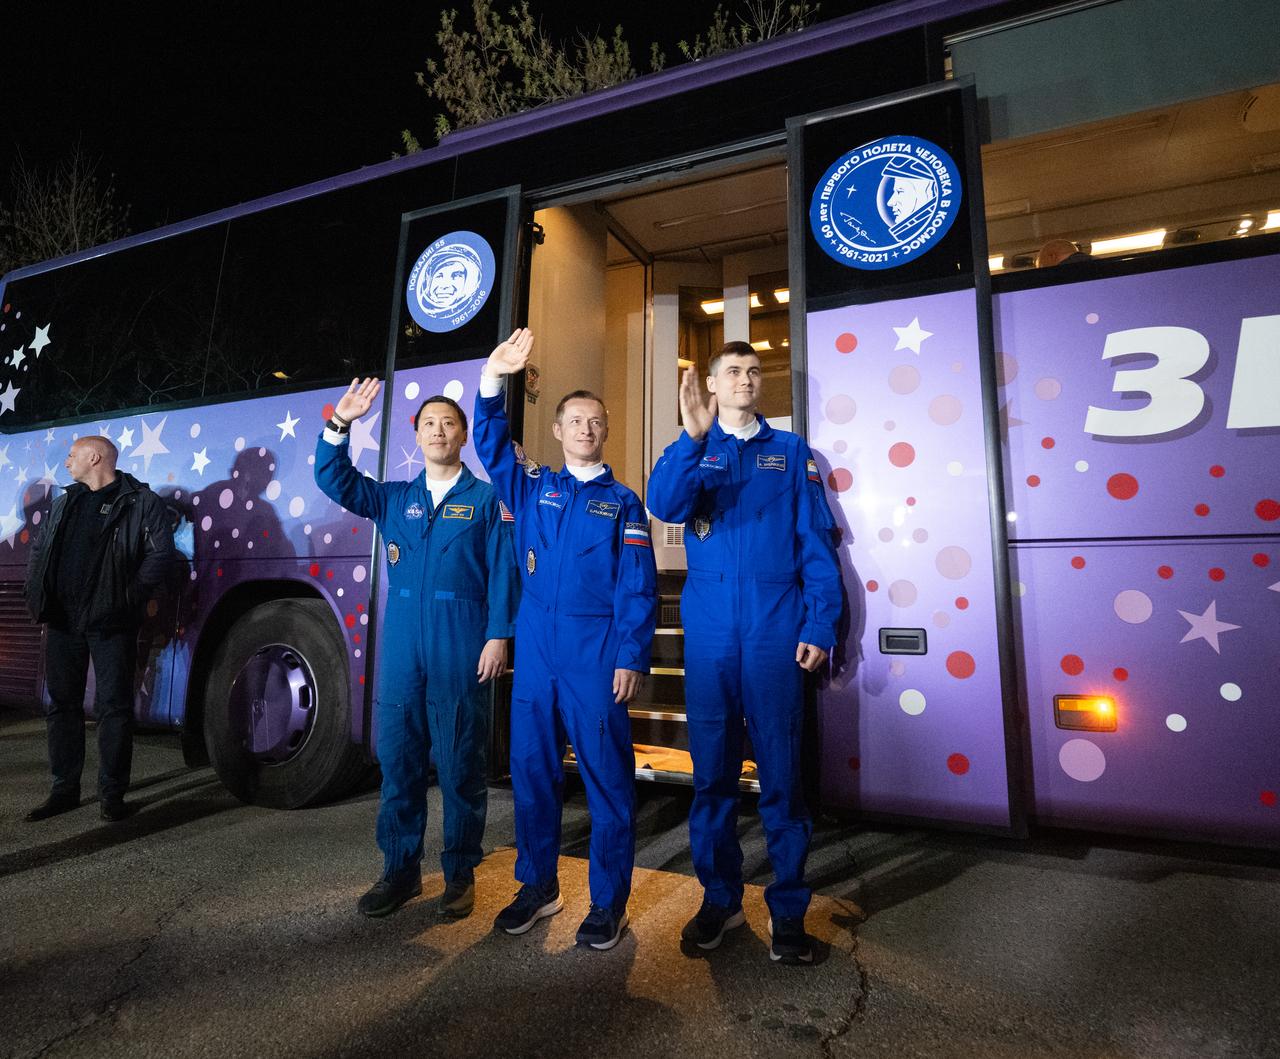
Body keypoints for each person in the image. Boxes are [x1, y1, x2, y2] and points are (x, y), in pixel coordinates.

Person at [646, 341, 842, 964]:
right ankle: (720, 900)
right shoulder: (695, 451)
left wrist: (821, 623)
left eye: (754, 371)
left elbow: (817, 545)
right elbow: (664, 507)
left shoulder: (790, 454)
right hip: (709, 636)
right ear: (709, 383)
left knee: (783, 778)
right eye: (732, 371)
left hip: (775, 628)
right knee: (712, 779)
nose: (746, 380)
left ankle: (788, 913)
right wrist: (691, 439)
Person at [473, 328, 657, 951]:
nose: (585, 428)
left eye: (596, 421)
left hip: (596, 656)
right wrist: (493, 381)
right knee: (531, 773)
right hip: (537, 654)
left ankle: (608, 902)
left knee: (607, 780)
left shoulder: (625, 503)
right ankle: (538, 886)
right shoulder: (531, 487)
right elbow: (490, 442)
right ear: (556, 430)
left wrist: (632, 653)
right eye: (575, 419)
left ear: (606, 433)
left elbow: (638, 584)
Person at [314, 381, 519, 919]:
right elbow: (333, 478)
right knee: (400, 763)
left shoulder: (486, 499)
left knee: (459, 764)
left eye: (448, 423)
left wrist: (499, 634)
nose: (438, 430)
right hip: (404, 648)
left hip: (461, 642)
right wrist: (341, 423)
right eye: (429, 423)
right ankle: (400, 871)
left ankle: (458, 875)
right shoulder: (394, 499)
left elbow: (503, 569)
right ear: (417, 434)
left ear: (463, 435)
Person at [24, 436, 176, 823]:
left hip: (111, 622)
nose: (67, 463)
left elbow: (161, 556)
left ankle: (112, 794)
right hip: (62, 620)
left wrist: (127, 598)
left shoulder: (141, 502)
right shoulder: (66, 501)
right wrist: (34, 593)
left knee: (113, 709)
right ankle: (64, 790)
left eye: (72, 456)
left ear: (95, 457)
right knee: (62, 707)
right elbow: (41, 549)